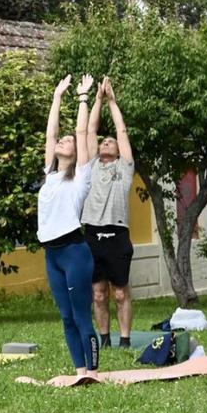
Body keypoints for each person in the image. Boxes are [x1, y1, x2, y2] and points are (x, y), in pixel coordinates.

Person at [40, 74, 98, 379]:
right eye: (62, 141)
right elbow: (51, 135)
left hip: (75, 251)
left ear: (77, 153)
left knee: (81, 315)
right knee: (65, 317)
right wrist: (56, 96)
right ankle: (79, 371)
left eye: (69, 142)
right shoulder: (51, 174)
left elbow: (82, 129)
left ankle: (94, 371)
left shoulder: (81, 177)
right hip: (52, 254)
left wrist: (82, 97)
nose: (64, 141)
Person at [81, 76, 135, 350]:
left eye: (110, 142)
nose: (106, 143)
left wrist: (112, 100)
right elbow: (90, 132)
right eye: (104, 142)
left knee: (120, 293)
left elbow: (122, 132)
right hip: (91, 234)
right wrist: (98, 99)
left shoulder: (124, 169)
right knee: (99, 294)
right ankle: (104, 339)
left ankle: (124, 339)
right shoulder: (90, 167)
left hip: (117, 234)